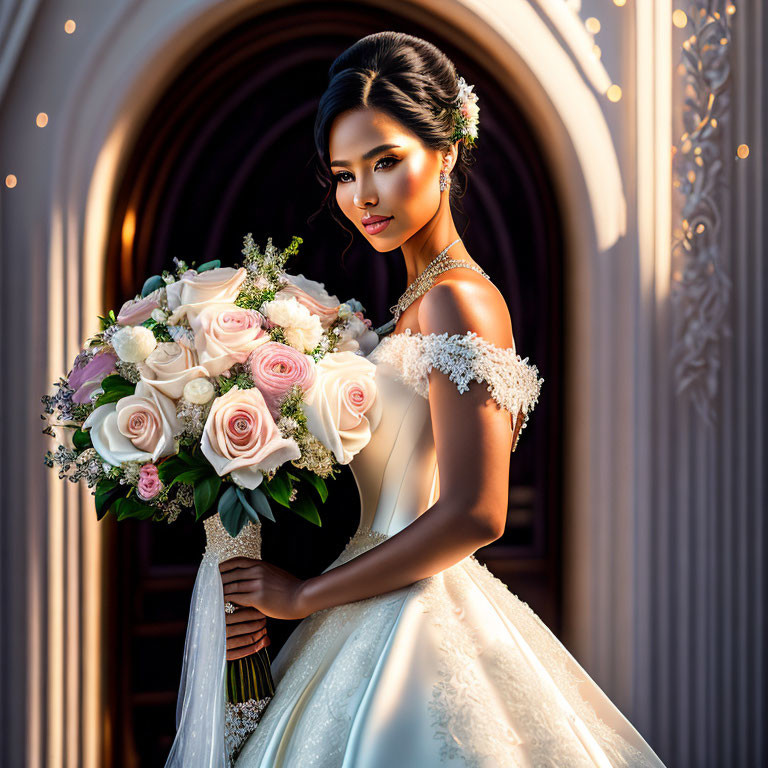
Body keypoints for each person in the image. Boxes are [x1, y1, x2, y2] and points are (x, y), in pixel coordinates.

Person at [215, 31, 667, 767]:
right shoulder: (411, 306)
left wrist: (303, 598)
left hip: (413, 620)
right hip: (368, 607)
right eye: (344, 174)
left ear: (449, 149)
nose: (363, 196)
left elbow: (477, 511)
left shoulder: (460, 301)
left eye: (386, 162)